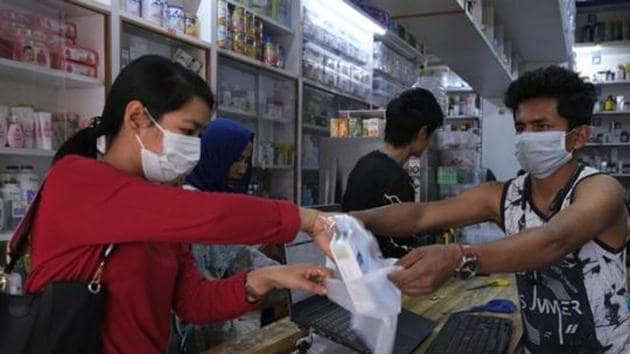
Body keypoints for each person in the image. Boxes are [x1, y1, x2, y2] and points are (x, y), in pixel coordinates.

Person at [24, 55, 333, 354]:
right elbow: (212, 216)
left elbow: (193, 300)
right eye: (187, 131)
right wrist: (306, 219)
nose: (194, 147)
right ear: (136, 117)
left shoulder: (158, 205)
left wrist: (268, 278)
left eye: (200, 135)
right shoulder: (77, 181)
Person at [353, 66, 630, 353]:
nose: (527, 137)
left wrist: (459, 257)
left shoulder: (602, 190)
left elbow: (554, 239)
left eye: (541, 127)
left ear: (579, 136)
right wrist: (349, 220)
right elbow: (421, 215)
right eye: (521, 128)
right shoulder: (506, 195)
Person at [171, 118, 287, 352]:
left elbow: (235, 258)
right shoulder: (193, 209)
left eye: (246, 160)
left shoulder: (214, 204)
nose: (242, 169)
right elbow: (200, 305)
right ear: (214, 154)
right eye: (236, 159)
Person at [342, 88, 444, 258]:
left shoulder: (364, 163)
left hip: (357, 268)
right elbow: (400, 248)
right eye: (431, 136)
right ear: (422, 133)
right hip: (382, 274)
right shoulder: (398, 180)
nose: (429, 144)